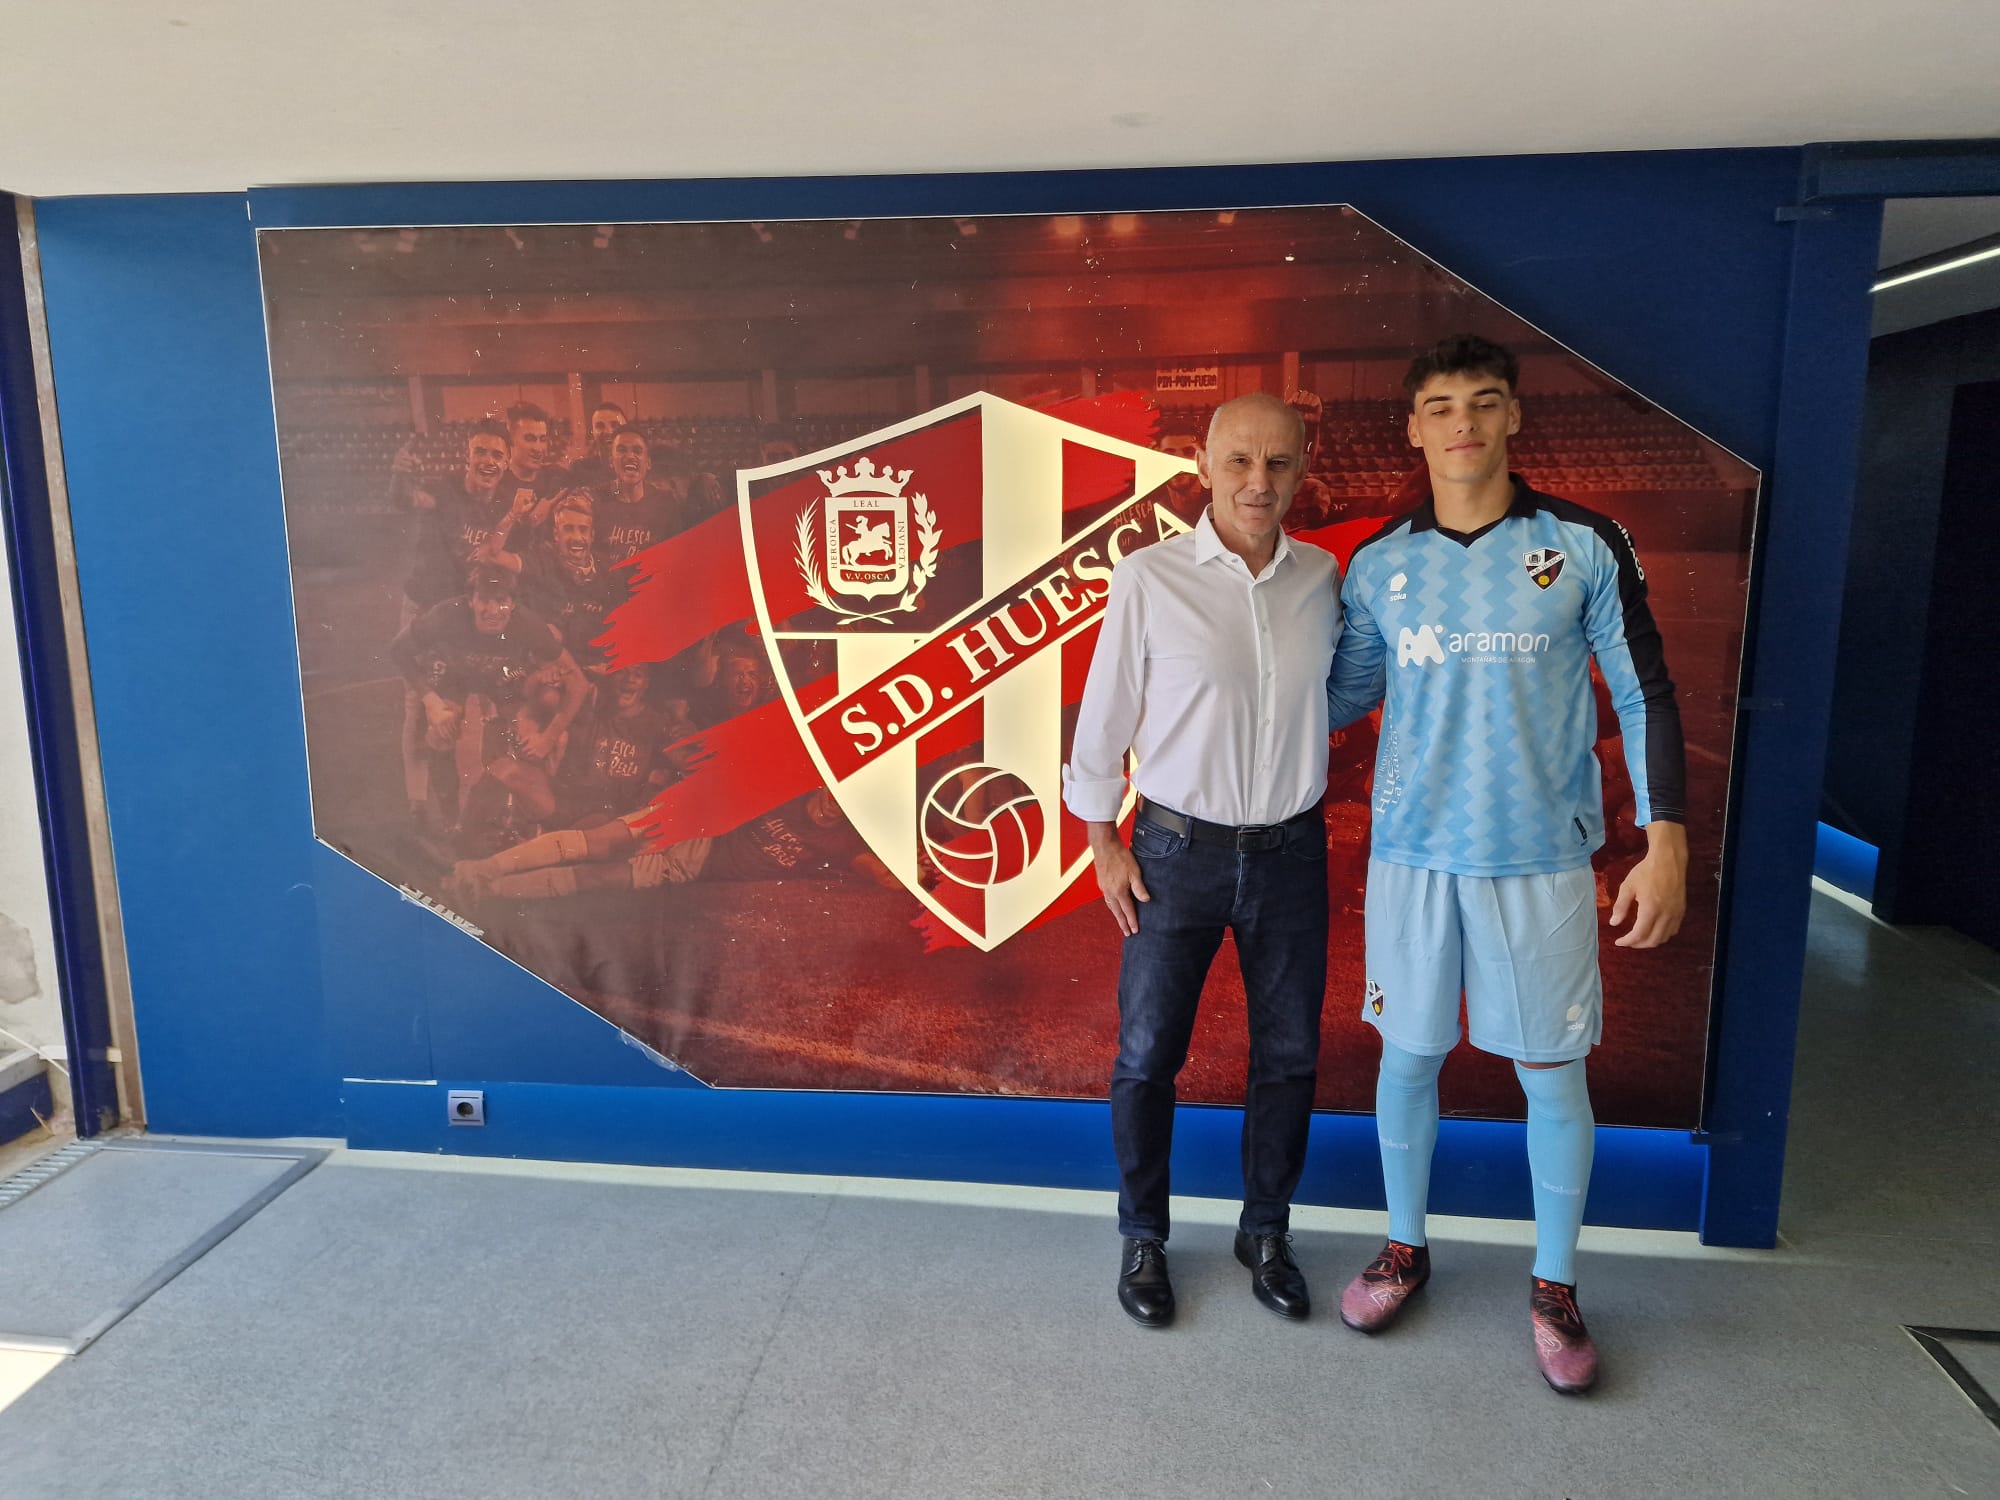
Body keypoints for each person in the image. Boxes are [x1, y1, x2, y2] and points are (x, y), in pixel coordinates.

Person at [1323, 334, 1687, 1394]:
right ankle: (1403, 1246)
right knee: (1405, 1058)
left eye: (1483, 402)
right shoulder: (1379, 563)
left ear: (1514, 417)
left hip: (1538, 859)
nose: (1463, 424)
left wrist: (1661, 842)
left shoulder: (1580, 543)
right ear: (1412, 426)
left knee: (1549, 1074)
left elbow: (1641, 693)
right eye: (1439, 406)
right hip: (1410, 857)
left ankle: (1555, 1283)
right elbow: (1337, 694)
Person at [1064, 391, 1343, 1329]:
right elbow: (1103, 717)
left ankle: (1265, 1228)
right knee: (1146, 1057)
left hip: (1293, 856)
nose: (1257, 483)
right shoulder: (1149, 578)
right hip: (1173, 853)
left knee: (1291, 1056)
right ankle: (1145, 1236)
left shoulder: (1324, 579)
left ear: (1302, 469)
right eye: (1238, 462)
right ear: (1203, 468)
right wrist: (1103, 840)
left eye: (1277, 463)